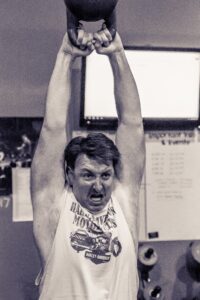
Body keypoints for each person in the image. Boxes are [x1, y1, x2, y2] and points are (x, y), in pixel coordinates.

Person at [31, 26, 145, 300]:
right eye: (87, 175)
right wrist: (66, 55)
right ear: (69, 175)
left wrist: (117, 54)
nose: (98, 185)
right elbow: (53, 128)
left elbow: (132, 124)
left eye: (105, 175)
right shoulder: (55, 208)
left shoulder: (122, 202)